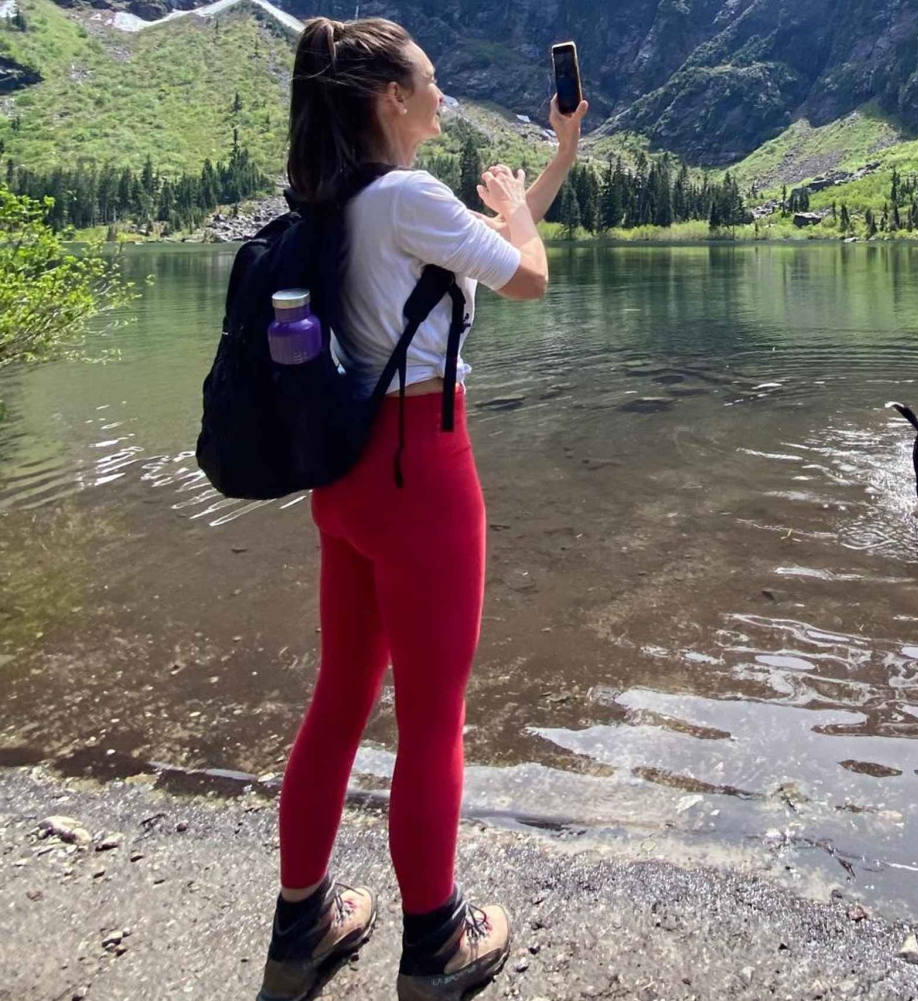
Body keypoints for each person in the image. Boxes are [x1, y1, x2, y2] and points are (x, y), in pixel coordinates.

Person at [256, 17, 587, 1001]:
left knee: (341, 696)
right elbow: (525, 275)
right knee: (435, 718)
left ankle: (301, 922)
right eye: (431, 84)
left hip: (348, 472)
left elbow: (480, 241)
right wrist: (522, 221)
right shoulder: (405, 194)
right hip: (423, 473)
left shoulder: (346, 195)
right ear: (391, 99)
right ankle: (434, 942)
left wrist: (556, 161)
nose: (442, 97)